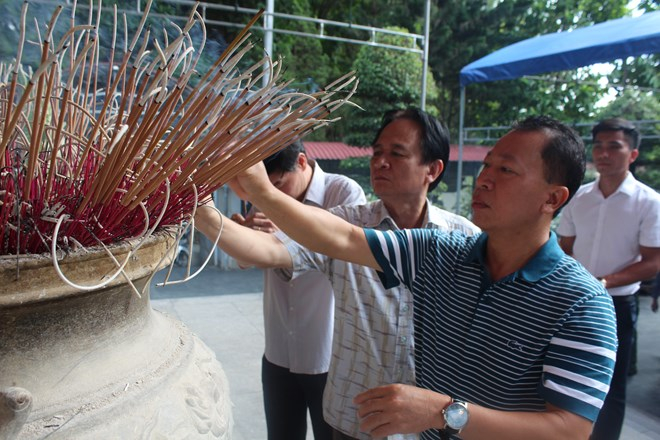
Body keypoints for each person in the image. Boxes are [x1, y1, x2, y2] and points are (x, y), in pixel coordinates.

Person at [227, 115, 618, 439]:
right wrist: (259, 194)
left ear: (553, 199)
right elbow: (340, 236)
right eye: (486, 165)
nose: (484, 179)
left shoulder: (582, 302)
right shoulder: (441, 252)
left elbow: (570, 430)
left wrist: (445, 412)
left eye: (506, 170)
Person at [196, 108, 480, 440]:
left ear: (433, 169)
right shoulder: (346, 222)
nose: (380, 162)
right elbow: (268, 250)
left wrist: (263, 192)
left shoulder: (465, 240)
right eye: (377, 152)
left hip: (430, 425)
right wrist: (195, 206)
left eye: (397, 154)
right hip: (355, 419)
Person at [222, 140, 366, 440]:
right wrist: (245, 235)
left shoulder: (344, 193)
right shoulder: (262, 194)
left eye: (279, 184)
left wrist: (280, 237)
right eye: (268, 186)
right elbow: (245, 260)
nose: (272, 194)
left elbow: (333, 252)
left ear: (302, 162)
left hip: (328, 354)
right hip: (278, 353)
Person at [557, 118, 660, 440]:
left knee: (610, 388)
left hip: (616, 305)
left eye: (614, 146)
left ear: (632, 154)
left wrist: (602, 283)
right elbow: (564, 249)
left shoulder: (649, 201)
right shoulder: (578, 197)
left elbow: (653, 261)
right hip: (571, 302)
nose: (604, 153)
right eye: (598, 146)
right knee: (562, 378)